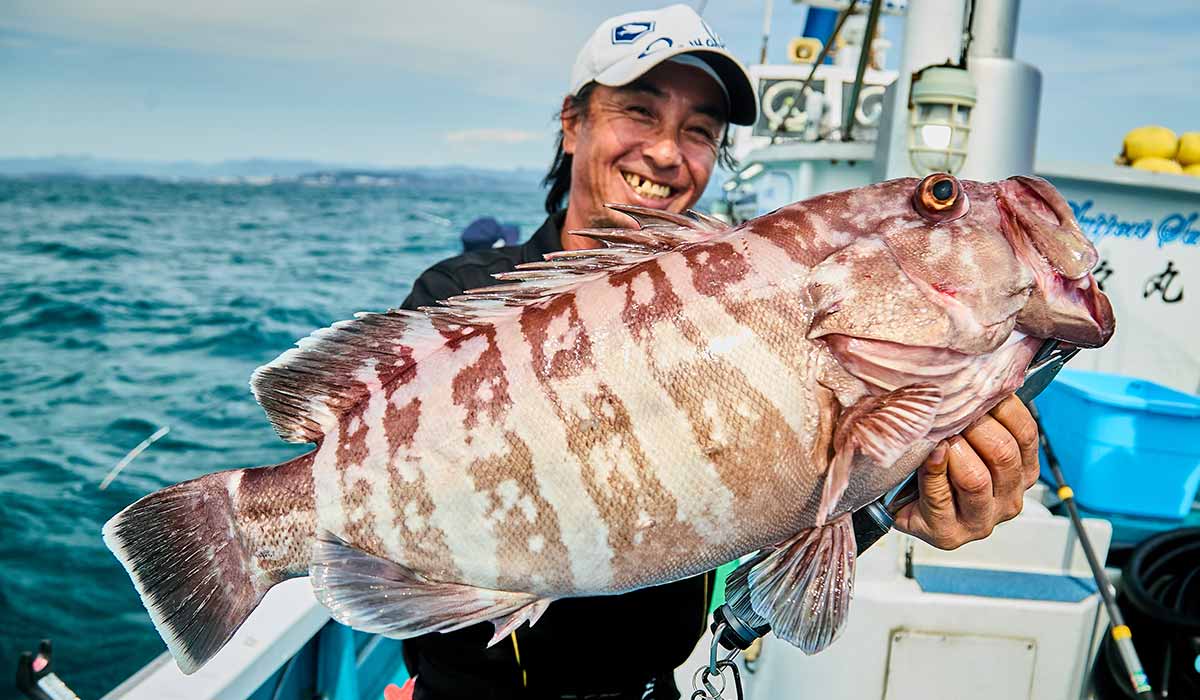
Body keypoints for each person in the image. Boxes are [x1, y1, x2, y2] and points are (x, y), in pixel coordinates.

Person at [398, 5, 1041, 698]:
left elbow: (787, 493)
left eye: (699, 130)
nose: (668, 152)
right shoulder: (460, 299)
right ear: (572, 122)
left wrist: (907, 496)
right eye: (640, 112)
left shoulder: (749, 309)